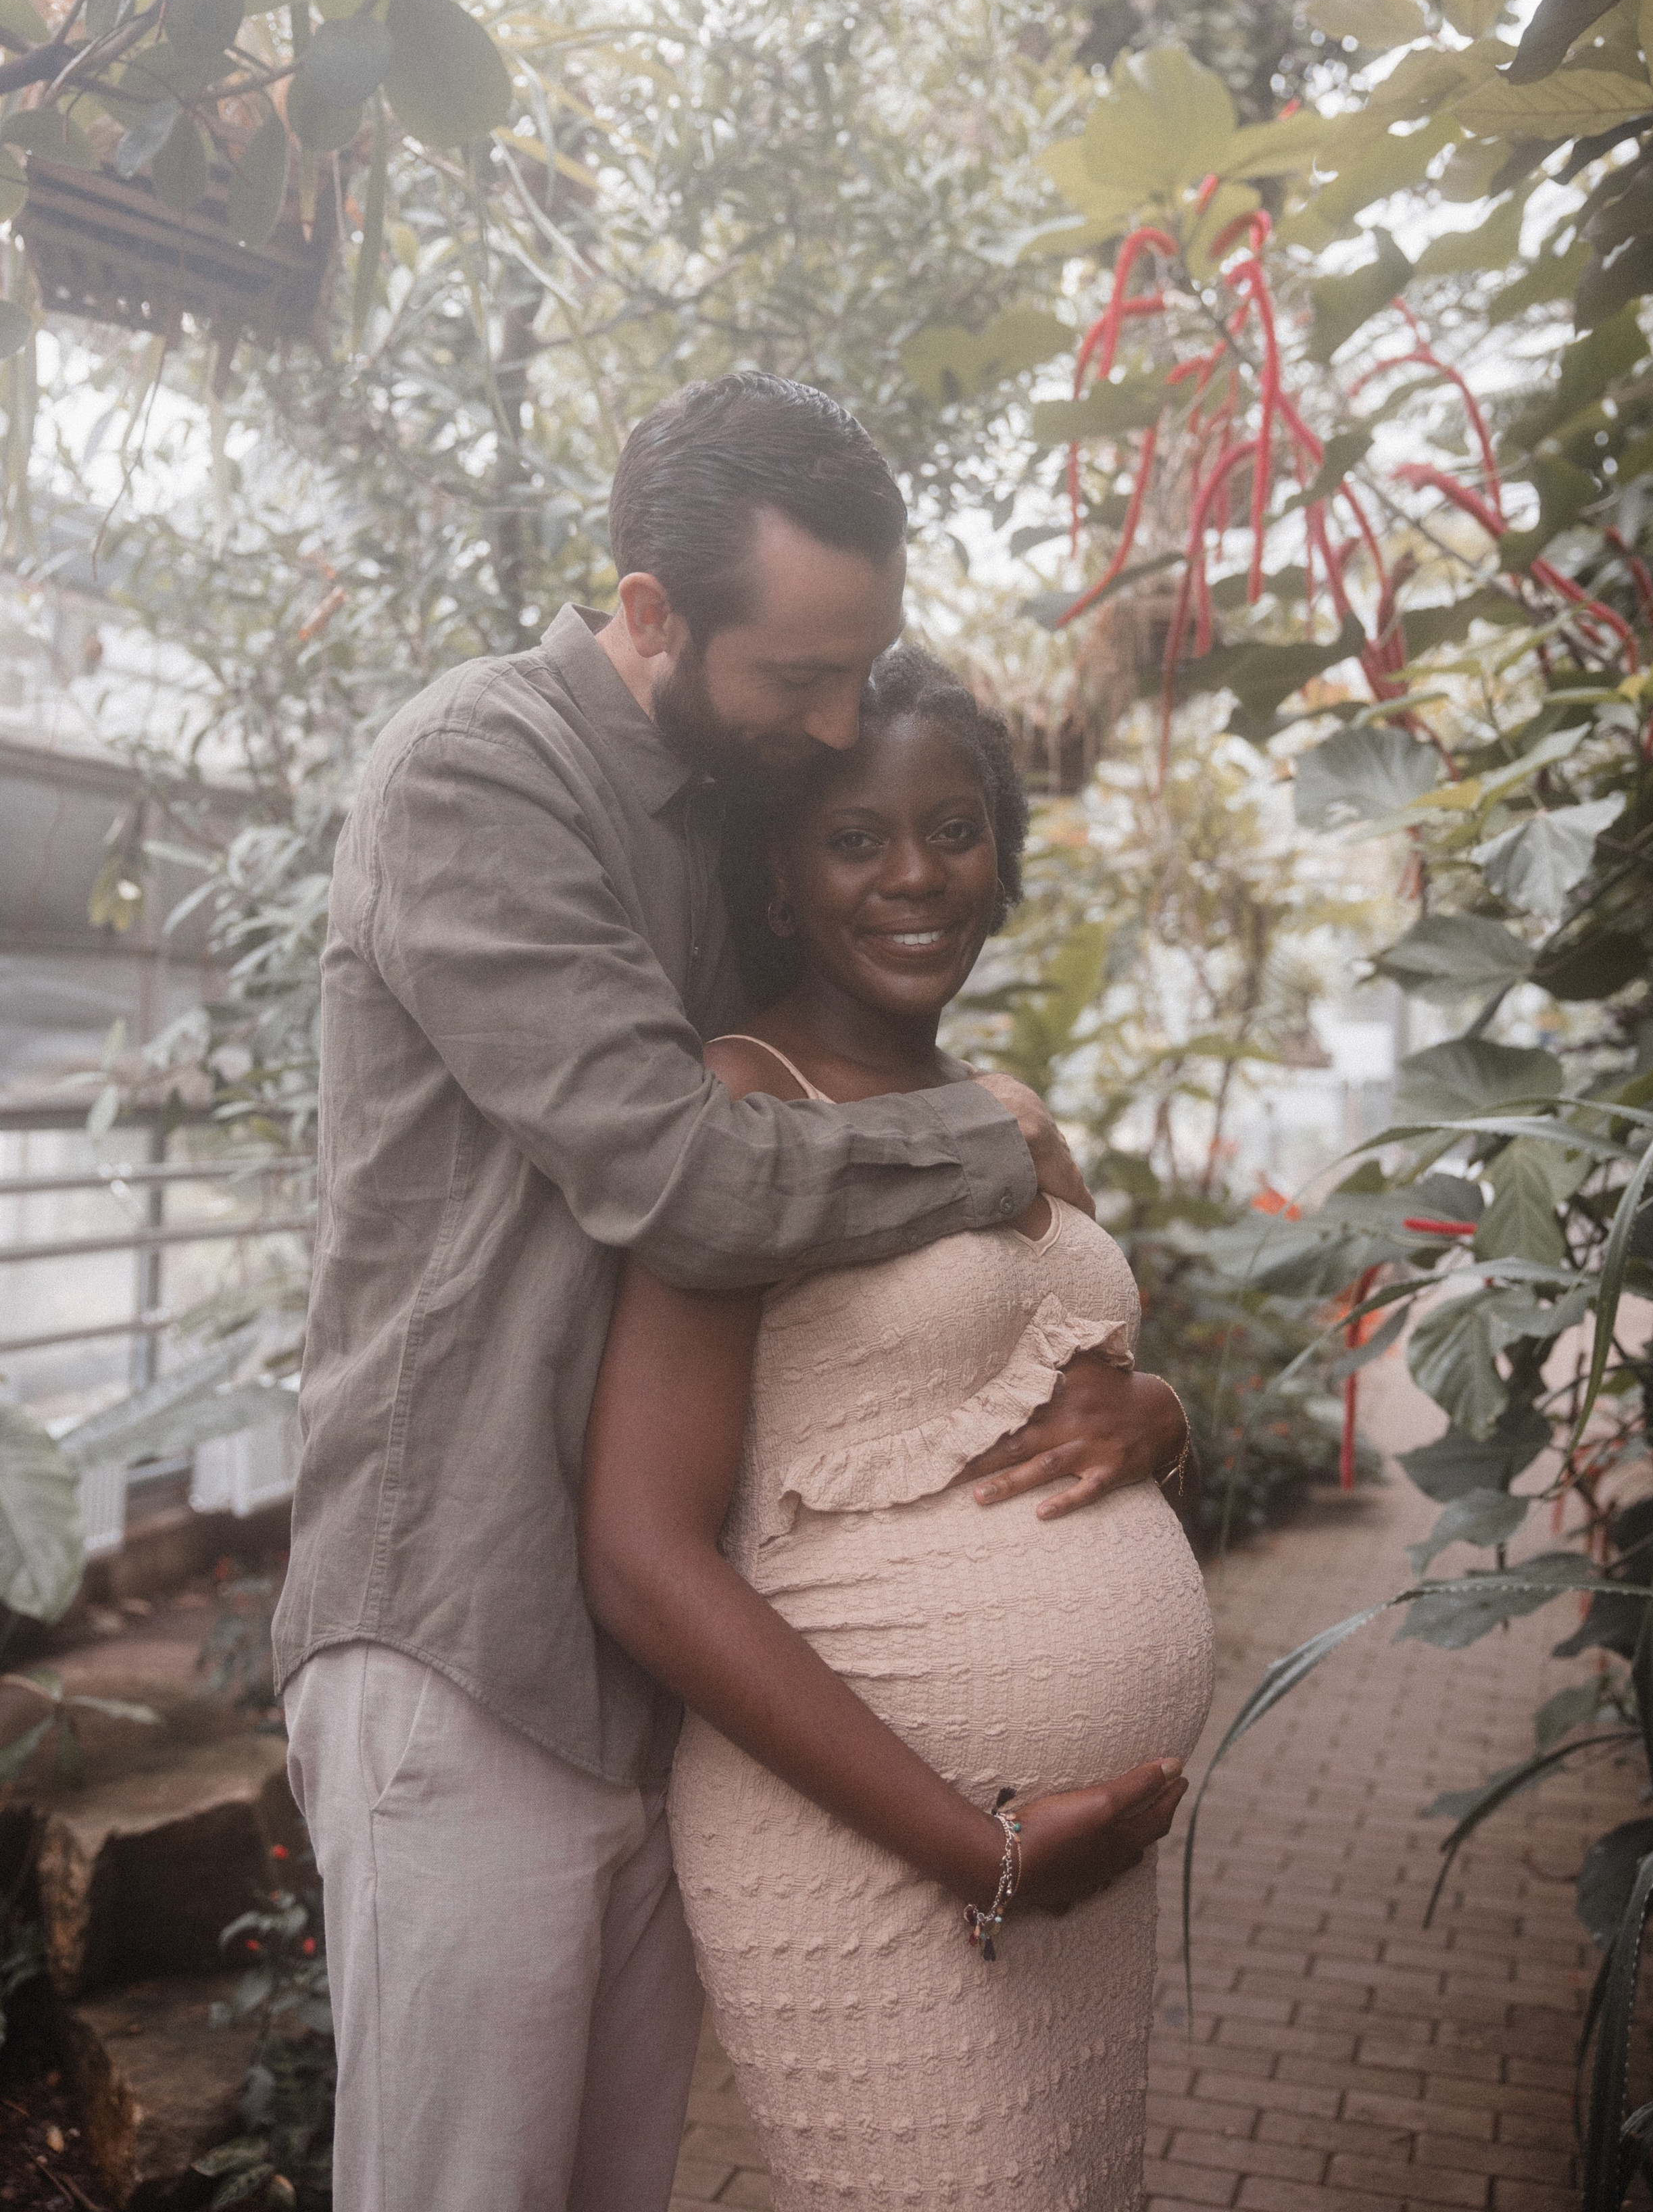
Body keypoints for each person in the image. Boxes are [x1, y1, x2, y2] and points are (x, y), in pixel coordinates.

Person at [272, 373, 1191, 2212]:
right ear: (647, 615)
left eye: (866, 669)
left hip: (657, 1687)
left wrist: (1148, 1407)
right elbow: (687, 1183)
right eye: (799, 679)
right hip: (470, 1627)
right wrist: (999, 1145)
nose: (838, 722)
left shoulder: (727, 800)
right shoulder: (485, 771)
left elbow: (851, 1313)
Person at [581, 643, 1216, 2212]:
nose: (914, 874)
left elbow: (1078, 1385)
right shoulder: (738, 1113)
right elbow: (642, 1556)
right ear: (781, 881)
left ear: (1000, 853)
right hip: (882, 1858)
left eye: (953, 827)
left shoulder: (1003, 1111)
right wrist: (978, 1851)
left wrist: (1165, 1415)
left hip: (1074, 1871)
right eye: (854, 838)